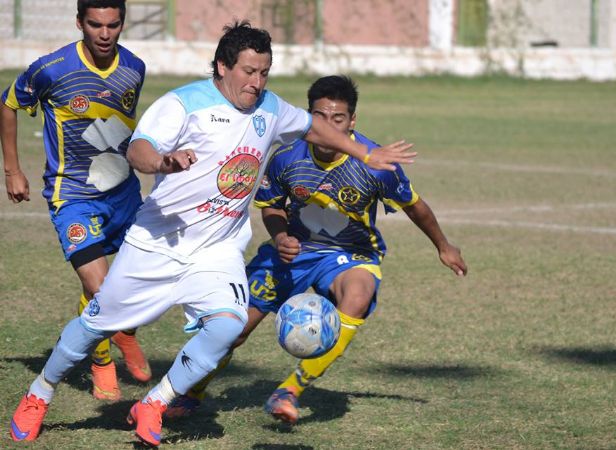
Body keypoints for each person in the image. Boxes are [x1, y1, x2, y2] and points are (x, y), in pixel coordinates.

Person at [8, 21, 415, 446]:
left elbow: (313, 128)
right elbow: (138, 149)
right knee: (96, 325)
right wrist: (164, 162)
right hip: (158, 243)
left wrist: (366, 151)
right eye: (248, 72)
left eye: (264, 73)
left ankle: (155, 403)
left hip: (217, 249)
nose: (256, 83)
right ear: (222, 66)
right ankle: (40, 393)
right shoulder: (182, 104)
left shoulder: (270, 109)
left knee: (227, 325)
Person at [164, 75, 468, 425]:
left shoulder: (373, 164)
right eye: (319, 116)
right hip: (292, 251)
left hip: (350, 254)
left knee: (357, 294)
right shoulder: (288, 157)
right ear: (309, 116)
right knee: (235, 327)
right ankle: (190, 391)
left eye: (337, 118)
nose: (328, 125)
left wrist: (444, 246)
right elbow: (271, 205)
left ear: (352, 121)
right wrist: (280, 237)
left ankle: (290, 390)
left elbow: (415, 206)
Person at [0, 0, 151, 403]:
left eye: (113, 25)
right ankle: (101, 361)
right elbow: (9, 103)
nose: (105, 34)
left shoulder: (134, 68)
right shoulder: (52, 69)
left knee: (143, 282)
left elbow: (122, 129)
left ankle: (126, 330)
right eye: (95, 24)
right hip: (74, 198)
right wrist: (12, 169)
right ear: (79, 22)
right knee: (100, 287)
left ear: (122, 23)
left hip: (123, 193)